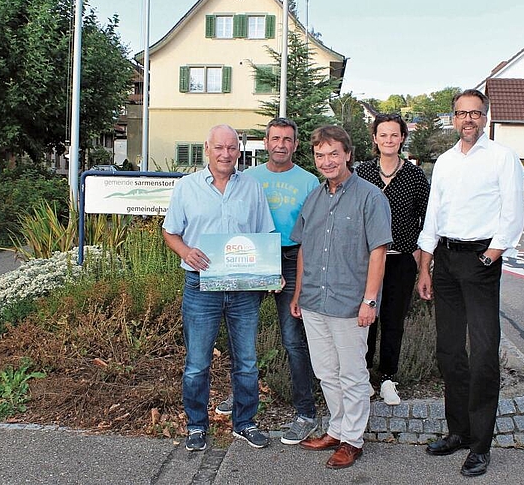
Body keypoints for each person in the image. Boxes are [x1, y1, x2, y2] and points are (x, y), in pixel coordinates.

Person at [417, 90, 524, 477]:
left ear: (485, 117)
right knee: (449, 352)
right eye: (462, 113)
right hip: (445, 260)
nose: (468, 120)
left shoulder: (502, 157)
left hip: (480, 262)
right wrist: (426, 266)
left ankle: (481, 445)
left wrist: (490, 256)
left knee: (482, 355)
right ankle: (458, 433)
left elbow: (512, 212)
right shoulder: (444, 162)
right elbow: (434, 213)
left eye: (475, 114)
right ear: (453, 117)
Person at [162, 124, 275, 452]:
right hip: (201, 286)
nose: (226, 154)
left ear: (238, 150)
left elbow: (264, 235)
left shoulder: (252, 188)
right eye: (219, 148)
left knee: (247, 361)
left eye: (232, 148)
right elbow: (170, 232)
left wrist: (269, 274)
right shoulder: (187, 188)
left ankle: (245, 423)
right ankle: (196, 425)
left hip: (243, 288)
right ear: (207, 149)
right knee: (197, 363)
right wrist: (185, 251)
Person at [290, 125, 392, 469]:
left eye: (334, 153)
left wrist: (370, 300)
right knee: (326, 372)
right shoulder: (315, 197)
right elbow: (305, 246)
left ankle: (353, 440)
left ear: (348, 154)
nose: (327, 161)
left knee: (352, 375)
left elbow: (378, 252)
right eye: (320, 155)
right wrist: (298, 291)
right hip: (314, 301)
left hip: (350, 303)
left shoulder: (371, 197)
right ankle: (336, 429)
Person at [242, 117, 320, 444]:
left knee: (292, 339)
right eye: (275, 138)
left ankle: (306, 412)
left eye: (287, 139)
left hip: (291, 259)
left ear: (296, 144)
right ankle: (241, 399)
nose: (281, 145)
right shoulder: (247, 177)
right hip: (254, 256)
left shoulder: (308, 181)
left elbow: (314, 229)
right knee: (242, 332)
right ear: (265, 141)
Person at [356, 113, 429, 405]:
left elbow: (428, 216)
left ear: (402, 138)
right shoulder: (362, 173)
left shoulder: (414, 176)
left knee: (393, 319)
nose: (388, 140)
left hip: (400, 260)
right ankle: (363, 376)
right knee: (366, 318)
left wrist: (419, 251)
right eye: (383, 135)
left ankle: (388, 378)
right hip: (368, 260)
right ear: (375, 139)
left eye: (394, 135)